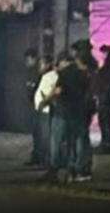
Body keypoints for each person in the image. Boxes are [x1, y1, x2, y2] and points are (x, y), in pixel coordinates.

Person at [39, 52, 86, 183]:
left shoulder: (63, 74)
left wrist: (46, 99)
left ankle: (53, 170)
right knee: (73, 143)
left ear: (63, 61)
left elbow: (58, 90)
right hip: (77, 112)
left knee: (56, 142)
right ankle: (72, 171)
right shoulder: (82, 74)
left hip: (62, 112)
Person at [72, 44, 97, 182]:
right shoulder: (92, 74)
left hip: (82, 110)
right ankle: (84, 167)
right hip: (86, 110)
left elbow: (86, 95)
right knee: (83, 138)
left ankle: (82, 168)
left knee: (81, 139)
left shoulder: (85, 76)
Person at [33, 54, 56, 168]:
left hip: (47, 110)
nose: (39, 67)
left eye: (41, 64)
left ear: (48, 64)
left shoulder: (52, 76)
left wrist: (44, 101)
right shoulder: (44, 76)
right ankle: (41, 158)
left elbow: (52, 92)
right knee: (41, 136)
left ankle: (48, 160)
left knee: (46, 136)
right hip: (41, 110)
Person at [23, 48, 44, 166]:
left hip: (38, 106)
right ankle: (36, 155)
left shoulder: (38, 73)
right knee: (35, 133)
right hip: (32, 106)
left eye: (28, 60)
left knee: (39, 133)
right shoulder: (29, 72)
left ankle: (40, 156)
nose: (26, 63)